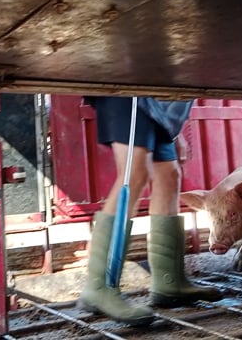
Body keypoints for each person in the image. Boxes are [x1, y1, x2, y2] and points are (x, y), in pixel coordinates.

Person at [77, 96, 222, 325]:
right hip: (131, 91)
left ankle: (169, 282)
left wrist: (174, 132)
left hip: (156, 104)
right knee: (134, 173)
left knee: (169, 174)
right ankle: (99, 286)